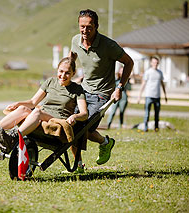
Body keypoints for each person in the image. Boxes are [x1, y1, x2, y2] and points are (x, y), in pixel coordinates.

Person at [0, 57, 88, 165]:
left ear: (73, 73)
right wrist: (18, 104)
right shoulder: (50, 82)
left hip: (57, 120)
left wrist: (75, 117)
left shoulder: (77, 89)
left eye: (67, 72)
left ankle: (14, 138)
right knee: (23, 109)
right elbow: (33, 102)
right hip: (41, 115)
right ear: (57, 70)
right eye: (61, 71)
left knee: (37, 112)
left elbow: (84, 114)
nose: (63, 75)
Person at [70, 9, 134, 165]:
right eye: (82, 26)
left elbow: (129, 62)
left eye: (89, 27)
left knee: (84, 129)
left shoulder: (108, 45)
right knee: (69, 125)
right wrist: (71, 75)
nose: (85, 30)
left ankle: (105, 142)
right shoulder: (76, 40)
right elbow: (72, 57)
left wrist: (120, 87)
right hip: (83, 90)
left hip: (102, 94)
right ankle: (78, 165)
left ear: (96, 26)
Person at [137, 56, 167, 132]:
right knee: (147, 114)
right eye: (154, 62)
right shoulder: (148, 72)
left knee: (157, 114)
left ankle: (156, 128)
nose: (155, 64)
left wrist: (165, 95)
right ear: (151, 63)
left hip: (157, 96)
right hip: (149, 96)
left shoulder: (160, 73)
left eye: (157, 63)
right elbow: (143, 84)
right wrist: (139, 96)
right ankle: (145, 128)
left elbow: (162, 84)